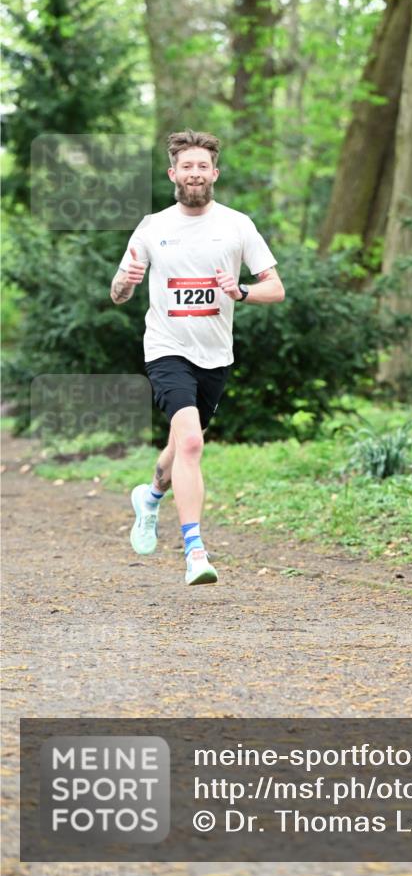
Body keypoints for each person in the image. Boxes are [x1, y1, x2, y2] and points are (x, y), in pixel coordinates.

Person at [110, 129, 285, 586]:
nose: (194, 173)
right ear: (173, 173)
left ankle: (149, 498)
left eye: (202, 166)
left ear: (214, 173)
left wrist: (242, 290)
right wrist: (126, 282)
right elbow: (118, 293)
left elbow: (276, 287)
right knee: (190, 444)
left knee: (179, 445)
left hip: (215, 355)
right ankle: (194, 551)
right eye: (186, 166)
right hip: (166, 348)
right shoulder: (153, 227)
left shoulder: (237, 225)